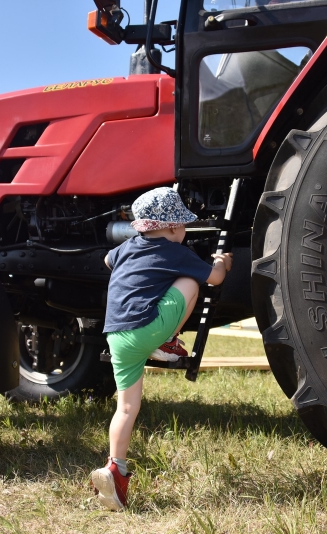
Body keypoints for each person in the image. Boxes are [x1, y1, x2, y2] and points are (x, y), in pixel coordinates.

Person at [90, 187, 233, 511]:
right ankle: (166, 340)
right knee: (190, 283)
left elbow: (107, 259)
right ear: (170, 228)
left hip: (116, 336)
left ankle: (116, 468)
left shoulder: (126, 248)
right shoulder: (174, 251)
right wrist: (221, 261)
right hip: (145, 329)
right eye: (183, 225)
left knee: (126, 409)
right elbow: (214, 279)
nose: (184, 231)